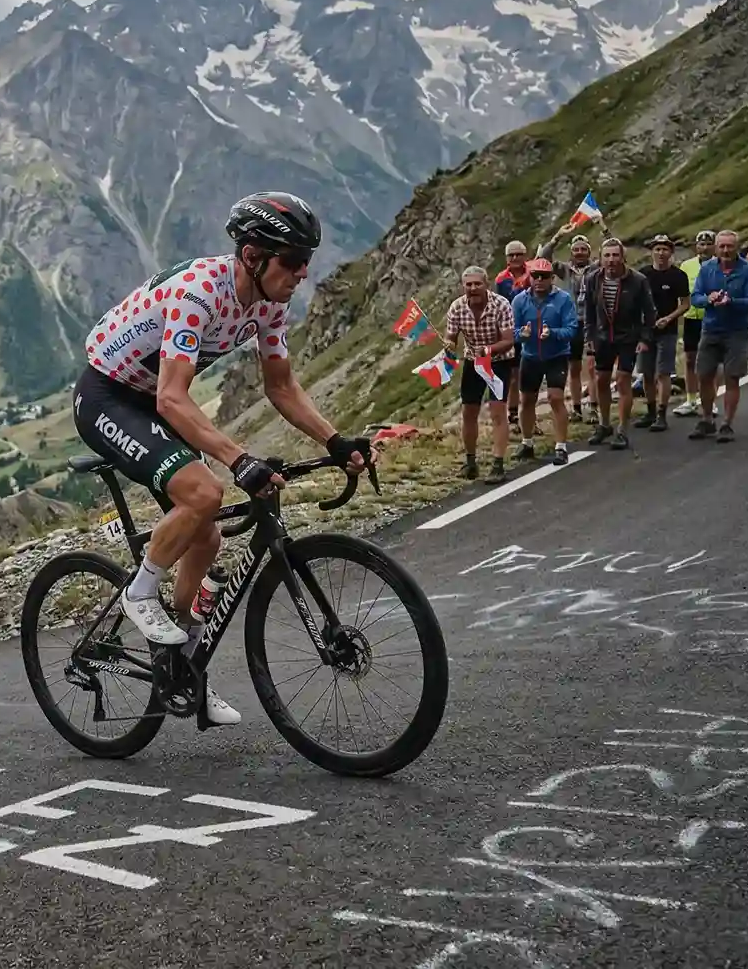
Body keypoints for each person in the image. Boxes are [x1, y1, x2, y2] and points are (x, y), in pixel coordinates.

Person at [73, 192, 372, 724]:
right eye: (292, 261)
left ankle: (180, 666)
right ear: (253, 256)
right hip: (109, 395)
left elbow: (281, 387)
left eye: (308, 261)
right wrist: (239, 460)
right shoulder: (200, 293)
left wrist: (335, 441)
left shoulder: (269, 301)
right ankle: (139, 594)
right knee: (205, 492)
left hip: (153, 398)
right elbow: (170, 397)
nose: (303, 272)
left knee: (206, 533)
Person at [579, 238, 656, 450]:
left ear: (623, 257)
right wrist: (590, 338)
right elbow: (589, 311)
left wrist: (644, 338)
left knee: (623, 381)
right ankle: (605, 425)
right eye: (607, 255)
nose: (611, 260)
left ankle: (622, 429)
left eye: (615, 255)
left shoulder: (638, 280)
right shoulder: (593, 278)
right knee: (602, 381)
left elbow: (649, 313)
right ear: (601, 258)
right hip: (603, 337)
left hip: (628, 338)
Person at [443, 267, 515, 483]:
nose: (473, 288)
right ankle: (470, 462)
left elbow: (509, 340)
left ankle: (498, 464)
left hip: (499, 361)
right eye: (469, 284)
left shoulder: (501, 305)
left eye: (477, 284)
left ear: (487, 284)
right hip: (473, 362)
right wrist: (448, 344)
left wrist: (488, 350)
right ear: (463, 286)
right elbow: (451, 337)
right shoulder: (457, 307)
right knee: (468, 412)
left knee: (497, 411)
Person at [689, 230, 748, 442]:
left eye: (730, 246)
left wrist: (732, 302)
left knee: (732, 377)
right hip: (710, 328)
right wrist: (708, 299)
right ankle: (707, 419)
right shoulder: (707, 268)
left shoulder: (747, 270)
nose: (726, 250)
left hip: (736, 330)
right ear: (716, 248)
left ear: (736, 247)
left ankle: (727, 424)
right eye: (722, 246)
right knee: (703, 375)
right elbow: (695, 297)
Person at [511, 258, 577, 466]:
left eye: (544, 276)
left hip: (556, 355)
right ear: (529, 277)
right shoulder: (520, 300)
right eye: (535, 276)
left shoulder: (563, 299)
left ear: (552, 278)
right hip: (530, 356)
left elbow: (572, 329)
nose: (539, 280)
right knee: (527, 400)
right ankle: (527, 443)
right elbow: (510, 331)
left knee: (555, 397)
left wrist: (553, 334)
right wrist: (522, 334)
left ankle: (561, 447)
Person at [537, 226, 596, 422]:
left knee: (593, 366)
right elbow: (543, 259)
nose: (579, 252)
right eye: (576, 249)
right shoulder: (564, 269)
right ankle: (577, 409)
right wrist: (558, 237)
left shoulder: (596, 268)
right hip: (572, 322)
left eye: (583, 249)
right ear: (571, 252)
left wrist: (603, 228)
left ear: (589, 251)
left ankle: (594, 408)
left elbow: (619, 254)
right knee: (574, 368)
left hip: (592, 321)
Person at [635, 234, 690, 432]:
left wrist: (669, 318)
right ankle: (649, 411)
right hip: (645, 331)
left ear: (670, 252)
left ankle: (661, 413)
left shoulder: (678, 276)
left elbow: (685, 304)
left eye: (664, 249)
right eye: (657, 249)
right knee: (646, 373)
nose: (660, 253)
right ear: (651, 252)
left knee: (663, 373)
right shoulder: (642, 275)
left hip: (668, 330)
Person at [673, 230, 716, 416]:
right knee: (690, 360)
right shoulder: (686, 265)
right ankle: (690, 400)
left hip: (713, 318)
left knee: (710, 362)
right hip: (691, 318)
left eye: (708, 244)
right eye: (701, 244)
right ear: (696, 246)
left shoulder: (720, 265)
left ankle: (710, 401)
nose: (704, 248)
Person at [494, 241, 531, 428]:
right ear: (507, 258)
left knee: (532, 373)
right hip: (512, 330)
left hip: (533, 327)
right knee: (515, 374)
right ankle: (514, 413)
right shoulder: (501, 279)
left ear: (524, 255)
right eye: (511, 255)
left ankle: (528, 413)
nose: (515, 258)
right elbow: (499, 305)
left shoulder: (532, 272)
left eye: (518, 254)